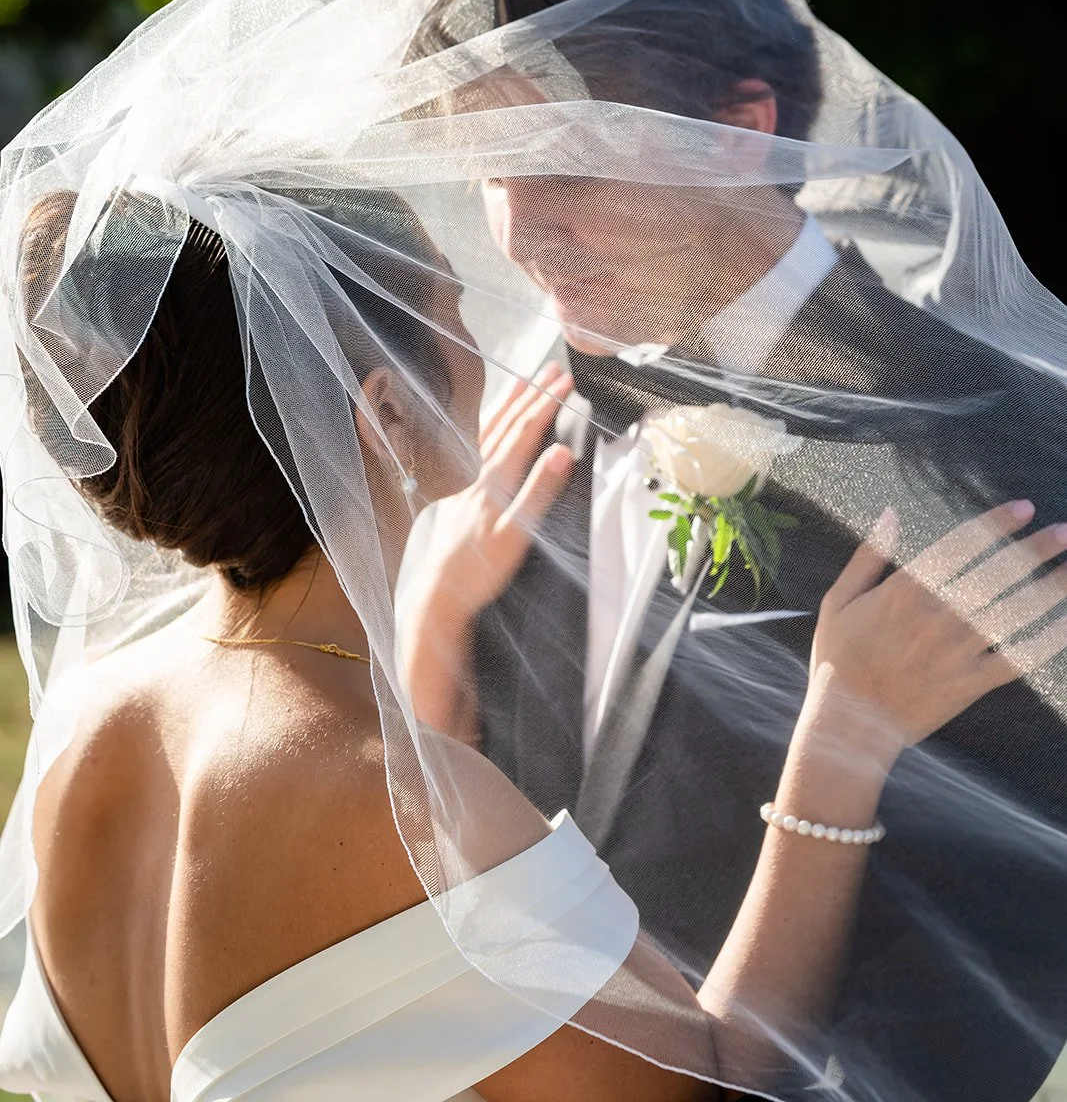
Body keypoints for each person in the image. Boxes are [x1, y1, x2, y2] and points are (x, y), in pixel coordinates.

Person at [0, 183, 1052, 1102]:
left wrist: (435, 622)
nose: (496, 344)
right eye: (452, 312)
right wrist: (839, 743)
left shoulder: (90, 718)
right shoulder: (403, 807)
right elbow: (709, 1078)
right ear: (384, 413)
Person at [397, 0, 1067, 1101]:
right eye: (491, 172)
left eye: (567, 168)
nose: (522, 233)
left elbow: (1003, 953)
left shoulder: (1001, 450)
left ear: (738, 133)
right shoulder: (516, 424)